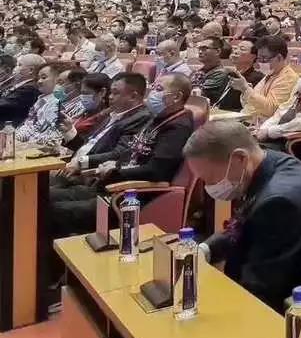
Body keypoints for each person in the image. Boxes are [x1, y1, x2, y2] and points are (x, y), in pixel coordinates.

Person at [187, 121, 301, 312]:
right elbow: (240, 225)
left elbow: (259, 291)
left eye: (210, 179)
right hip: (271, 281)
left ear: (239, 158)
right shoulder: (268, 163)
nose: (209, 187)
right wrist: (204, 250)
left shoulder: (279, 202)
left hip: (298, 309)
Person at [50, 73, 195, 239]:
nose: (152, 93)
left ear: (176, 97)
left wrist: (116, 169)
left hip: (130, 197)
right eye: (154, 87)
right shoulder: (159, 118)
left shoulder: (177, 127)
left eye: (159, 89)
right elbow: (131, 151)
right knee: (44, 197)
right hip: (110, 186)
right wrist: (114, 163)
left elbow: (157, 171)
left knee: (52, 210)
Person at [57, 72, 150, 177]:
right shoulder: (111, 114)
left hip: (91, 176)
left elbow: (118, 154)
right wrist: (69, 132)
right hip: (72, 168)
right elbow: (91, 147)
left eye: (115, 93)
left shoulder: (140, 119)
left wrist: (81, 162)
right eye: (111, 92)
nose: (110, 97)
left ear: (133, 96)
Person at [233, 36, 300, 117]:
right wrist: (245, 90)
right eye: (259, 58)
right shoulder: (270, 74)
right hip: (248, 117)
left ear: (279, 57)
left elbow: (271, 110)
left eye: (264, 59)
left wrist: (246, 89)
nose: (261, 63)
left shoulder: (288, 78)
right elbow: (250, 105)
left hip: (264, 123)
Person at [0, 53, 44, 126]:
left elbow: (4, 104)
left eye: (19, 65)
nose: (15, 68)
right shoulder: (20, 83)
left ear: (31, 70)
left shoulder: (30, 89)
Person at [190, 35, 231, 106]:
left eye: (204, 49)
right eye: (199, 48)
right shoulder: (198, 71)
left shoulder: (221, 74)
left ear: (218, 51)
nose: (200, 52)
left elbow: (197, 96)